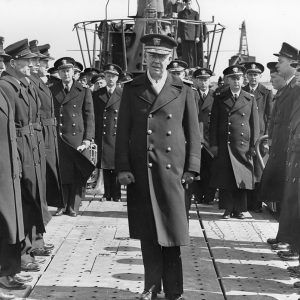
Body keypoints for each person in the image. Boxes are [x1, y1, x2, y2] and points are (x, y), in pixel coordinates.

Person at [115, 33, 201, 300]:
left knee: (173, 232)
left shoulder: (184, 89)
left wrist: (192, 168)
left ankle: (174, 291)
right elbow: (123, 132)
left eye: (162, 57)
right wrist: (123, 167)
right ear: (145, 58)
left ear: (169, 59)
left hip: (173, 173)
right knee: (148, 233)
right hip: (142, 172)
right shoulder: (132, 89)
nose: (156, 61)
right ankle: (152, 287)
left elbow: (193, 133)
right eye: (152, 56)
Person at [0, 39, 48, 272]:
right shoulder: (7, 86)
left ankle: (28, 248)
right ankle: (22, 253)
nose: (32, 64)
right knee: (22, 202)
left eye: (32, 60)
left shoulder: (23, 84)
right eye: (27, 60)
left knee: (31, 198)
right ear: (14, 62)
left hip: (29, 146)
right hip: (18, 147)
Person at [260, 43, 298, 249]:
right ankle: (285, 236)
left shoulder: (294, 88)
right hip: (283, 150)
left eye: (281, 62)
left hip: (289, 151)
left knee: (290, 198)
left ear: (293, 64)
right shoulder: (288, 88)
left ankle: (290, 241)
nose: (278, 66)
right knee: (285, 196)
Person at [209, 65, 259, 219]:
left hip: (243, 145)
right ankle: (227, 208)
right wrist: (214, 144)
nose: (237, 81)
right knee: (226, 177)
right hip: (225, 144)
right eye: (233, 78)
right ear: (228, 80)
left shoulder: (249, 98)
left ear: (243, 79)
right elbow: (214, 123)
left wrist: (253, 146)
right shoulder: (220, 98)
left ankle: (239, 209)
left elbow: (254, 124)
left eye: (239, 78)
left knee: (241, 176)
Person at [50, 57, 95, 217]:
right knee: (62, 172)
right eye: (62, 71)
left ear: (74, 72)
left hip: (77, 138)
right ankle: (61, 205)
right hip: (59, 136)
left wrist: (88, 139)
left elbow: (89, 116)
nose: (65, 74)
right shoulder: (52, 89)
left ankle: (73, 206)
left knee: (77, 173)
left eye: (68, 70)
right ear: (59, 73)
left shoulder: (83, 90)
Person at [0, 41, 28, 292]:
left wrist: (16, 162)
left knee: (10, 222)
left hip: (7, 167)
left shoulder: (2, 91)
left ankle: (8, 272)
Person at [30, 42, 64, 217]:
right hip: (41, 130)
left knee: (50, 170)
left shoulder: (41, 82)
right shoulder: (32, 83)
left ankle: (50, 205)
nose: (46, 66)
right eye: (42, 62)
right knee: (43, 173)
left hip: (49, 130)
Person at [242, 62, 273, 212]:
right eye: (250, 75)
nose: (253, 78)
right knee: (246, 167)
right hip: (245, 136)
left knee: (258, 171)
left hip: (260, 137)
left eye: (255, 75)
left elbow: (270, 117)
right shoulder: (242, 91)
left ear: (260, 76)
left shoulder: (266, 93)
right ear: (246, 76)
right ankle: (246, 203)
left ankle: (257, 204)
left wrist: (266, 140)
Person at [93, 64, 122, 202]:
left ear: (117, 78)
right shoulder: (97, 94)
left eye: (113, 76)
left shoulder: (122, 93)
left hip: (117, 133)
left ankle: (116, 194)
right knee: (104, 164)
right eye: (108, 76)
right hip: (103, 133)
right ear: (104, 77)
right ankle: (107, 193)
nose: (110, 79)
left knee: (116, 165)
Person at [192, 68, 216, 204]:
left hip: (209, 138)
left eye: (206, 79)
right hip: (196, 136)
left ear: (209, 80)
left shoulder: (215, 96)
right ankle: (197, 195)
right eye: (200, 80)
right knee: (196, 167)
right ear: (196, 80)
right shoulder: (191, 95)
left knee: (210, 169)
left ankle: (209, 196)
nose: (203, 83)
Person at [177, 0, 200, 67]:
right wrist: (179, 36)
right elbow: (179, 25)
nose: (188, 5)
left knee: (192, 54)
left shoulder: (195, 13)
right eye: (187, 3)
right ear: (185, 4)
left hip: (192, 37)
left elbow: (197, 25)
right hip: (184, 36)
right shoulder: (181, 13)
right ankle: (186, 68)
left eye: (189, 3)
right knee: (185, 54)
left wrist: (197, 36)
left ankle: (193, 68)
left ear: (191, 3)